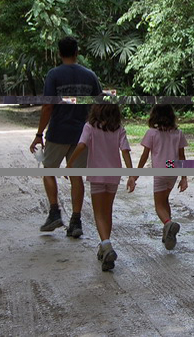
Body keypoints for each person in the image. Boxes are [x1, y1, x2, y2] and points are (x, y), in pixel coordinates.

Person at [29, 36, 102, 237]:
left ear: (59, 53)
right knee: (76, 177)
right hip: (82, 135)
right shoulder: (90, 76)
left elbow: (48, 106)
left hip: (58, 132)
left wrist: (39, 134)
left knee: (48, 170)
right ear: (77, 52)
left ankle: (54, 213)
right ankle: (76, 221)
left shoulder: (54, 75)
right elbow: (99, 104)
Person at [66, 104, 134, 271]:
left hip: (97, 175)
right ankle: (104, 247)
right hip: (113, 176)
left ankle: (106, 244)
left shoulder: (90, 127)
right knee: (107, 210)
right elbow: (125, 151)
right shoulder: (119, 129)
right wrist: (132, 175)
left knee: (98, 213)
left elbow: (81, 145)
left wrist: (70, 163)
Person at [129, 104, 188, 250]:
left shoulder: (152, 133)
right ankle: (167, 233)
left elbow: (144, 156)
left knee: (158, 205)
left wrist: (135, 175)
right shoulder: (177, 133)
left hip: (160, 170)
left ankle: (168, 224)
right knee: (165, 200)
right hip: (172, 169)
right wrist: (184, 177)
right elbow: (181, 156)